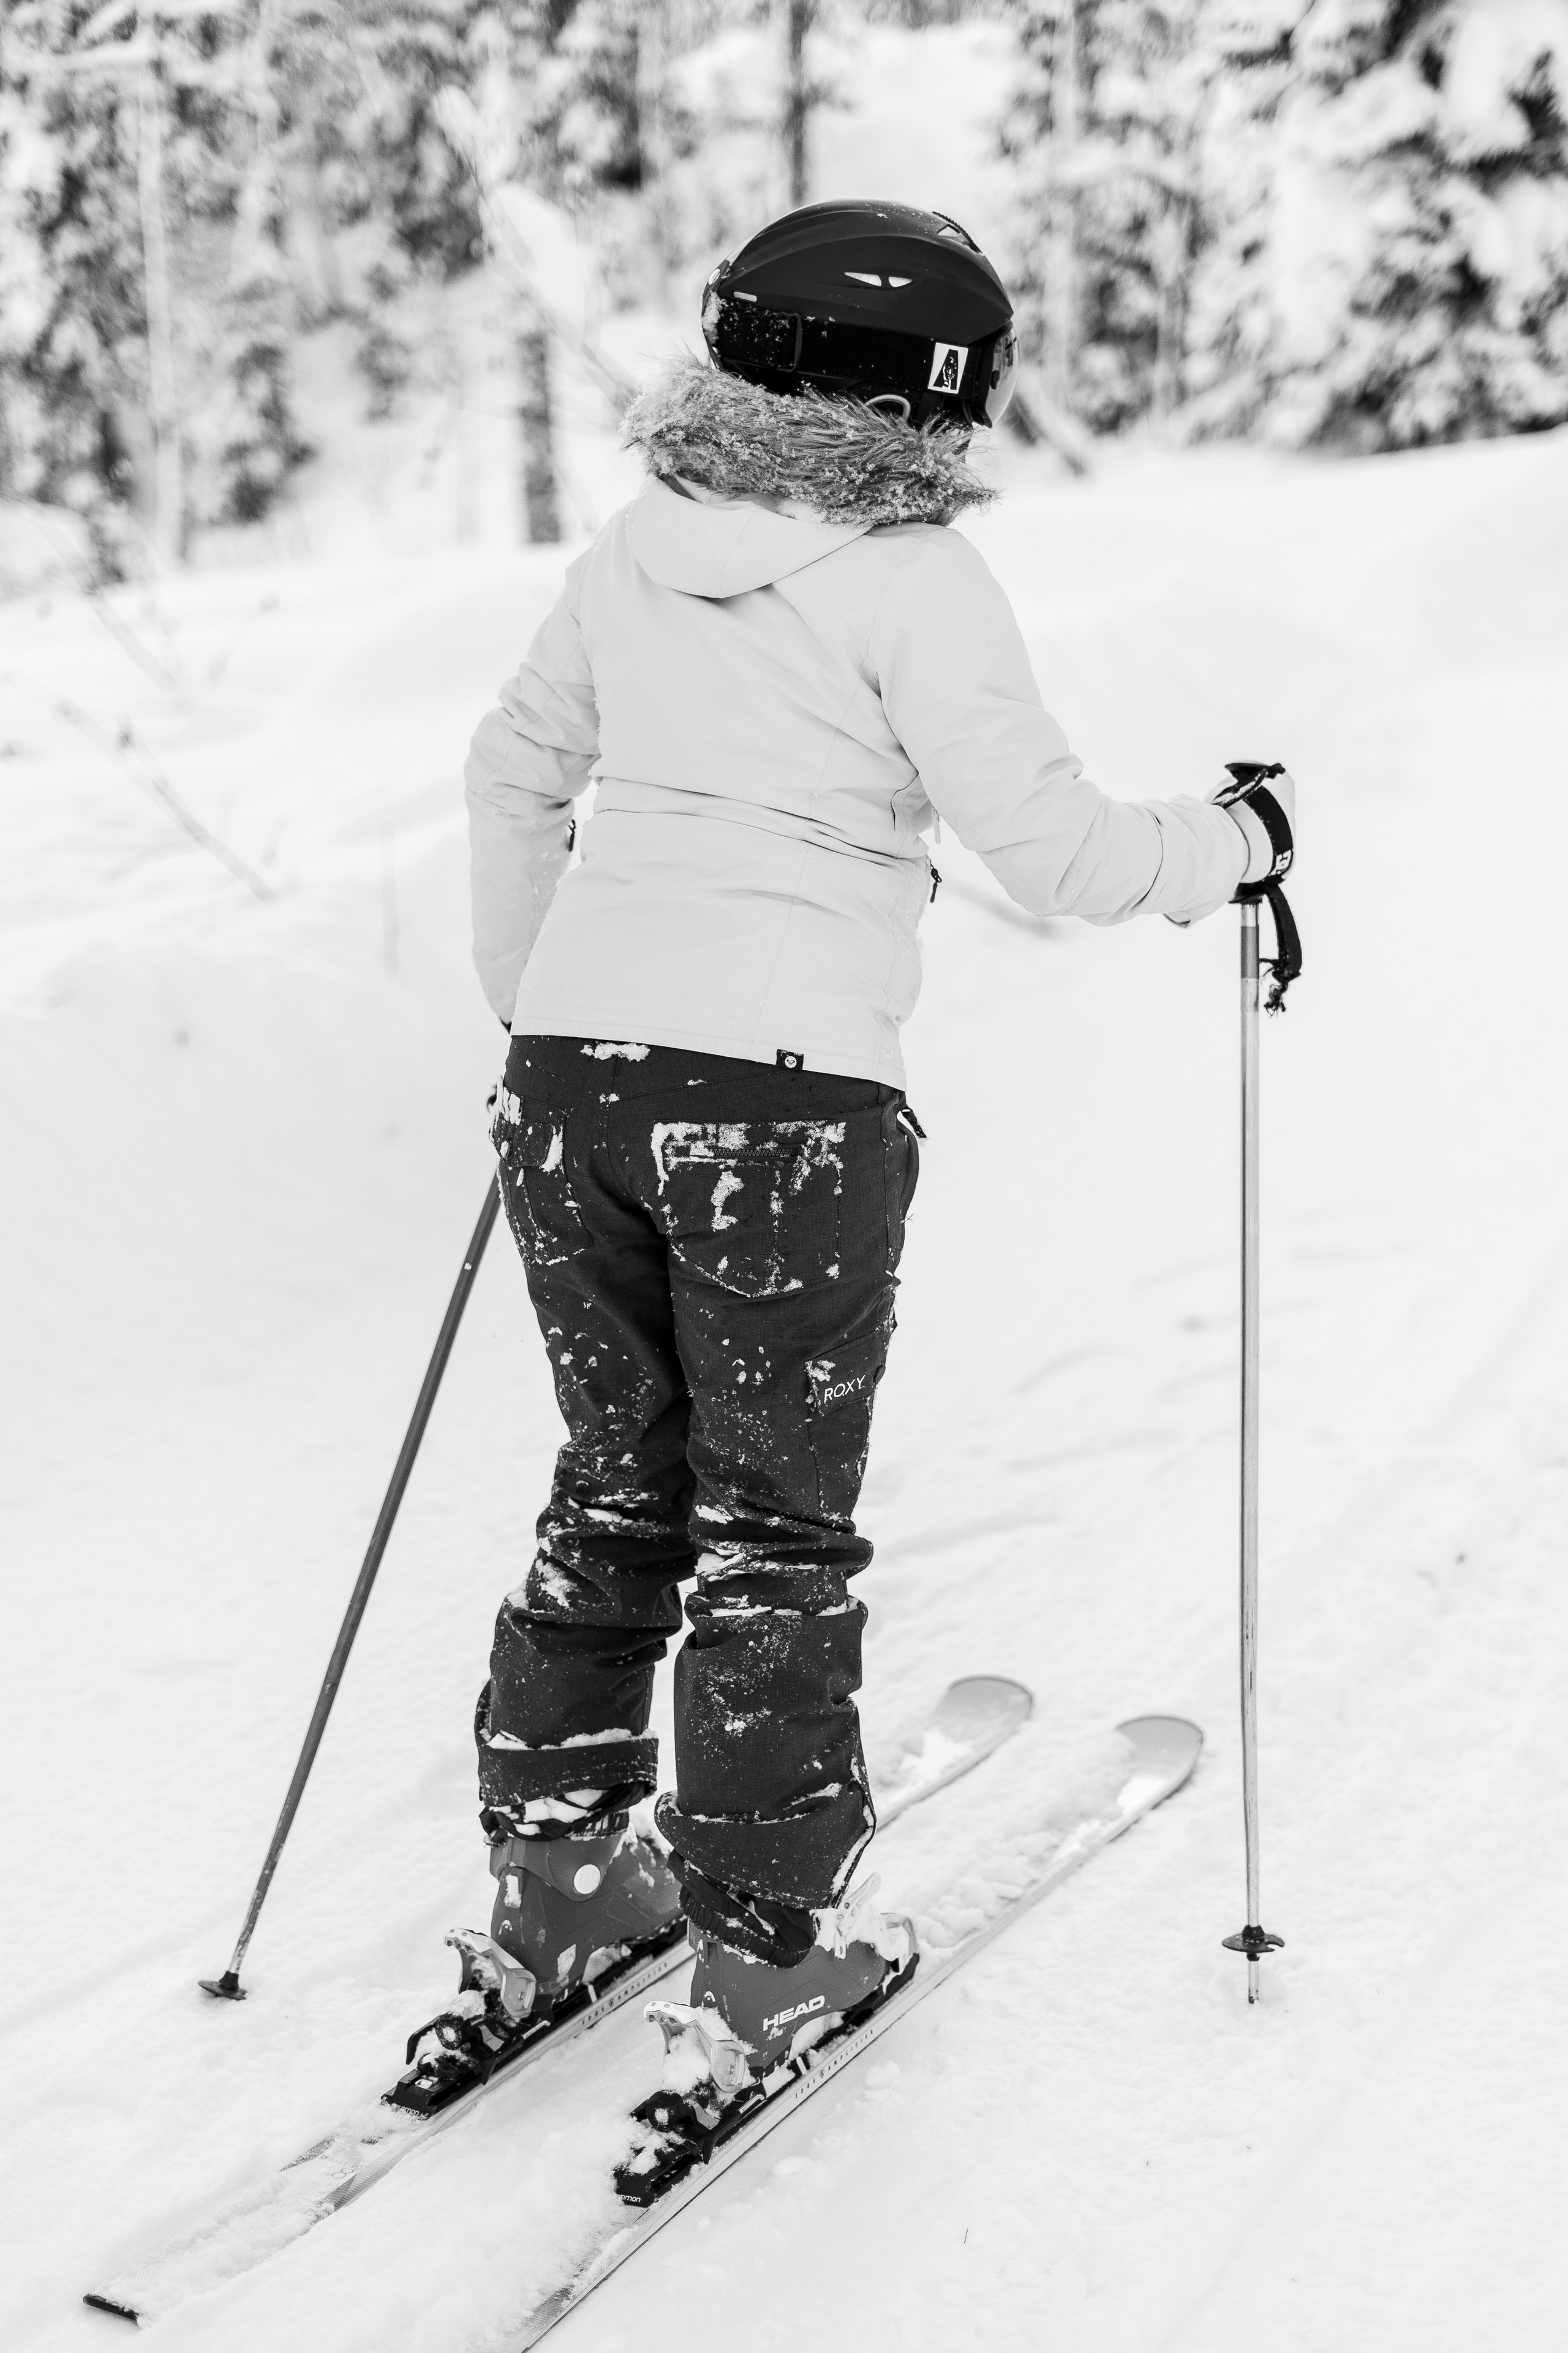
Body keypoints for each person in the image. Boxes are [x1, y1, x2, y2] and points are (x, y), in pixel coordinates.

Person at [460, 200, 1296, 2086]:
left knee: (617, 1486)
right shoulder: (915, 580)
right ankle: (765, 1958)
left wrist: (547, 1004)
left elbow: (511, 774)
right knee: (769, 1532)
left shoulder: (629, 556)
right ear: (925, 388)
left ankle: (567, 1879)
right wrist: (1235, 842)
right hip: (782, 1107)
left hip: (576, 1087)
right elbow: (1064, 851)